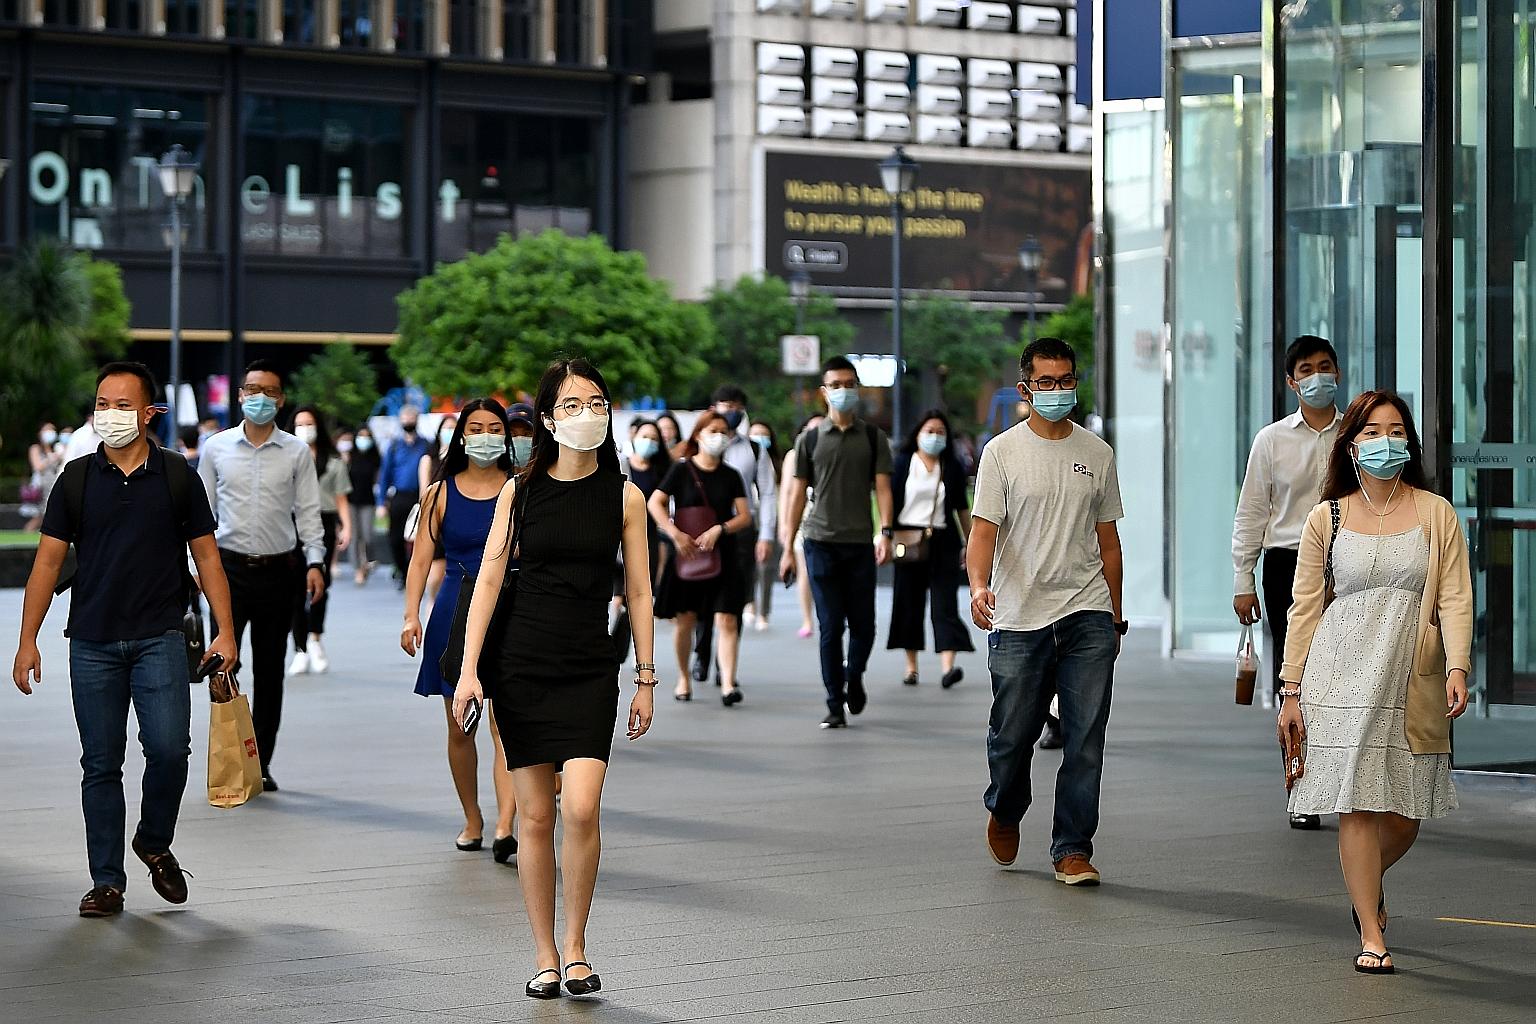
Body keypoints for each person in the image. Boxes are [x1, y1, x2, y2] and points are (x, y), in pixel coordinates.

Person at [453, 357, 657, 1000]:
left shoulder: (625, 497)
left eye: (596, 402)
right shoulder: (521, 489)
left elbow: (641, 592)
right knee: (536, 816)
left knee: (584, 805)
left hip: (590, 666)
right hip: (520, 665)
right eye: (571, 404)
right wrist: (469, 672)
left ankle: (577, 949)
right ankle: (545, 953)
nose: (587, 414)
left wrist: (646, 677)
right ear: (546, 419)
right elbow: (489, 578)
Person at [10, 361, 238, 917]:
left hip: (161, 637)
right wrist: (27, 640)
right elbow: (46, 563)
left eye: (121, 405)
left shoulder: (178, 477)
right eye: (102, 404)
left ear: (149, 412)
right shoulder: (78, 479)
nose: (109, 415)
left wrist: (226, 630)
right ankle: (107, 882)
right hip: (91, 642)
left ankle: (153, 840)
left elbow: (207, 558)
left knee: (168, 750)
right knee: (101, 764)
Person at [1279, 390, 1470, 976]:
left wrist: (1459, 665)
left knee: (1406, 809)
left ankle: (1366, 882)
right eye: (1371, 431)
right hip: (1337, 673)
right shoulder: (1327, 516)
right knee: (1357, 804)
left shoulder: (1436, 511)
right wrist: (1291, 690)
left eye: (1395, 431)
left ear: (1408, 442)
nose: (1385, 441)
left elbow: (1455, 595)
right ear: (1352, 444)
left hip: (1413, 672)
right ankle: (1370, 930)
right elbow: (1304, 606)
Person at [968, 337, 1126, 886]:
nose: (1058, 391)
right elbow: (983, 531)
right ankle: (1005, 805)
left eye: (1066, 381)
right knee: (1013, 734)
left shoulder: (1097, 454)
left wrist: (1115, 613)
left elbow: (1108, 541)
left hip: (1086, 610)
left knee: (1085, 737)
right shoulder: (1002, 453)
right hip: (1018, 615)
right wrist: (978, 586)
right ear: (1026, 388)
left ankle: (1072, 848)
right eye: (1047, 382)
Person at [198, 360, 327, 792]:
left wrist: (315, 563)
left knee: (270, 673)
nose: (261, 398)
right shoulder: (215, 448)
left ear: (281, 399)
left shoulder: (296, 452)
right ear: (239, 395)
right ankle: (226, 758)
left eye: (270, 391)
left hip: (279, 572)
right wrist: (197, 566)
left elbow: (309, 514)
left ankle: (260, 762)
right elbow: (201, 517)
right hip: (227, 572)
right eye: (253, 390)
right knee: (225, 666)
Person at [1232, 335, 1343, 831]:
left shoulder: (1357, 435)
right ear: (1291, 381)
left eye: (1325, 366)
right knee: (1294, 672)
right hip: (1288, 563)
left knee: (1346, 668)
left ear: (1337, 372)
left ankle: (1346, 781)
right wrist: (1243, 578)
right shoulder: (1271, 440)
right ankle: (1301, 785)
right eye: (1306, 369)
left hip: (1349, 561)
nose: (1317, 376)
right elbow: (1252, 511)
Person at [401, 399, 519, 862]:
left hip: (509, 612)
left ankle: (507, 823)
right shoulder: (439, 493)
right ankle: (473, 817)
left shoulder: (521, 488)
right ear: (462, 436)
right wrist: (411, 614)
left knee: (505, 727)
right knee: (460, 728)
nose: (487, 435)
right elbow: (420, 560)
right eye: (477, 427)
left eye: (496, 427)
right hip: (454, 613)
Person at [779, 358, 895, 729]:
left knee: (864, 626)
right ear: (824, 392)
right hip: (820, 542)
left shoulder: (874, 438)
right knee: (830, 626)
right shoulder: (810, 439)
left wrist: (887, 532)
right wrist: (787, 547)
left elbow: (883, 488)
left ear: (857, 388)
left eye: (850, 383)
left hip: (859, 542)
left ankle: (854, 676)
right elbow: (797, 494)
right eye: (836, 384)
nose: (844, 390)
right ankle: (834, 702)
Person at [649, 412, 753, 704]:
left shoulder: (731, 475)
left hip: (723, 554)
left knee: (728, 618)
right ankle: (683, 677)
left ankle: (729, 683)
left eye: (724, 431)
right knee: (685, 620)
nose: (719, 436)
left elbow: (744, 516)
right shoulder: (681, 470)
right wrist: (673, 533)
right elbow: (655, 501)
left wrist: (720, 529)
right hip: (687, 554)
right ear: (698, 435)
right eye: (713, 430)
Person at [690, 386, 777, 686]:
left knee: (734, 600)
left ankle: (725, 666)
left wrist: (766, 535)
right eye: (724, 405)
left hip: (740, 532)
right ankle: (701, 652)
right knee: (703, 594)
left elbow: (766, 494)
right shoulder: (697, 445)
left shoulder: (754, 449)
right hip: (702, 529)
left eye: (736, 405)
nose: (730, 411)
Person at [888, 409, 974, 688]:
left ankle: (948, 667)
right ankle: (910, 667)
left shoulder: (952, 466)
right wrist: (886, 534)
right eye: (929, 431)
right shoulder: (902, 463)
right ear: (917, 434)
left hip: (943, 540)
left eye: (940, 432)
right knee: (908, 602)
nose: (934, 437)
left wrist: (970, 541)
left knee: (944, 603)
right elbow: (888, 499)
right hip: (908, 540)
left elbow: (962, 507)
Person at [289, 406, 352, 676]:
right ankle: (300, 647)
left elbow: (341, 499)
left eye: (309, 423)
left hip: (324, 521)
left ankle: (315, 637)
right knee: (293, 588)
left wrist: (346, 526)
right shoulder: (286, 457)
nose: (305, 428)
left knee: (319, 584)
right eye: (300, 424)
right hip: (291, 523)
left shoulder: (333, 461)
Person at [778, 414, 823, 639]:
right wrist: (785, 524)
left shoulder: (831, 452)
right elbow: (787, 492)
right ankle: (807, 619)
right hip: (801, 518)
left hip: (826, 519)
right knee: (804, 570)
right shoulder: (794, 456)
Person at [376, 405, 430, 590]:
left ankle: (417, 574)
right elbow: (385, 475)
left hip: (420, 495)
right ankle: (403, 571)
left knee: (420, 537)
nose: (408, 421)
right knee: (395, 538)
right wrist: (381, 502)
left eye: (411, 417)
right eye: (404, 418)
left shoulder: (426, 445)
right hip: (399, 496)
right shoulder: (394, 446)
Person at [417, 413, 459, 603]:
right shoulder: (429, 459)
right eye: (446, 428)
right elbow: (423, 494)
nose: (449, 432)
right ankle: (433, 608)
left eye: (453, 428)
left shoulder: (464, 459)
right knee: (434, 579)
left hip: (457, 521)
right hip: (435, 522)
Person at [743, 421, 780, 632]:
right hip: (747, 518)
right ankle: (749, 602)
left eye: (763, 435)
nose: (759, 439)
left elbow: (772, 494)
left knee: (765, 567)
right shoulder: (744, 455)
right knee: (747, 564)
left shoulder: (775, 462)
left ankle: (764, 610)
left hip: (767, 520)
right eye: (755, 434)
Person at [345, 425, 381, 586]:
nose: (364, 440)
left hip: (368, 501)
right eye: (361, 436)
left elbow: (380, 479)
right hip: (351, 501)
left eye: (367, 436)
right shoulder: (349, 457)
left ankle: (368, 561)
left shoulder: (376, 458)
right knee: (354, 537)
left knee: (368, 535)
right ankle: (358, 569)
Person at [24, 422, 64, 531]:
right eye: (47, 430)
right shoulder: (35, 448)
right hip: (40, 486)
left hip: (53, 485)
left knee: (48, 515)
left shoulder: (56, 448)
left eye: (52, 430)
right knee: (39, 516)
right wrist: (51, 458)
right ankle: (26, 533)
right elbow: (38, 467)